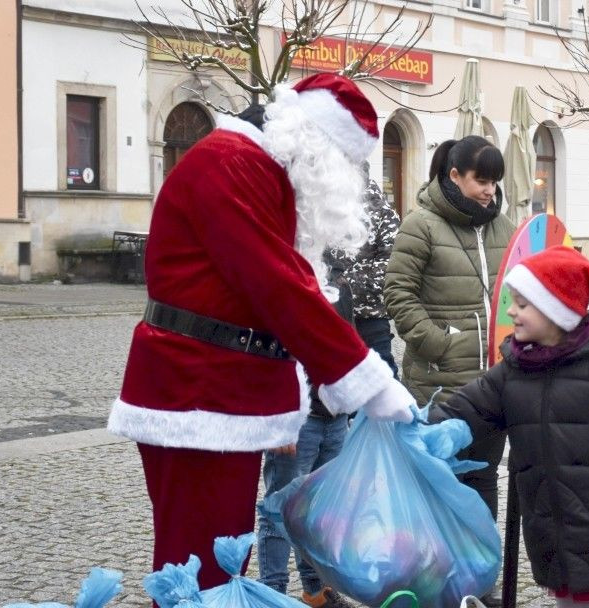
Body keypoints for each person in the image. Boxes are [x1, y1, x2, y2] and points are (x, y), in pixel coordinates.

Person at [106, 74, 416, 594]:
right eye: (343, 163)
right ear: (314, 144)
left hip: (216, 393)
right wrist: (369, 382)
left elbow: (280, 290)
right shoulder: (232, 163)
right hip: (196, 394)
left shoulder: (255, 170)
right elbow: (277, 284)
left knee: (219, 558)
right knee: (199, 565)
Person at [435, 246, 589, 608]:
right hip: (556, 538)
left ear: (554, 311)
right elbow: (465, 409)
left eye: (522, 303)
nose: (511, 311)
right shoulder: (513, 370)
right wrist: (404, 423)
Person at [384, 135, 515, 608]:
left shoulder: (504, 228)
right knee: (437, 484)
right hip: (439, 387)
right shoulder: (420, 224)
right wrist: (436, 343)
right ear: (454, 175)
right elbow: (397, 292)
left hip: (493, 385)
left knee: (482, 479)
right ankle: (434, 583)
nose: (488, 190)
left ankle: (479, 580)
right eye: (481, 179)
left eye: (495, 181)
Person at [255, 254, 356, 608]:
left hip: (334, 416)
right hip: (298, 420)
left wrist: (354, 403)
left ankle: (314, 590)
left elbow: (348, 341)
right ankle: (272, 593)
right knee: (280, 508)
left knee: (320, 510)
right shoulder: (283, 268)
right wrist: (280, 416)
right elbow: (270, 349)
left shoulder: (338, 274)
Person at [331, 166, 402, 376]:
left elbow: (391, 259)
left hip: (369, 316)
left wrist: (349, 286)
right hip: (329, 315)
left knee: (383, 377)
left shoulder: (380, 209)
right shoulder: (321, 203)